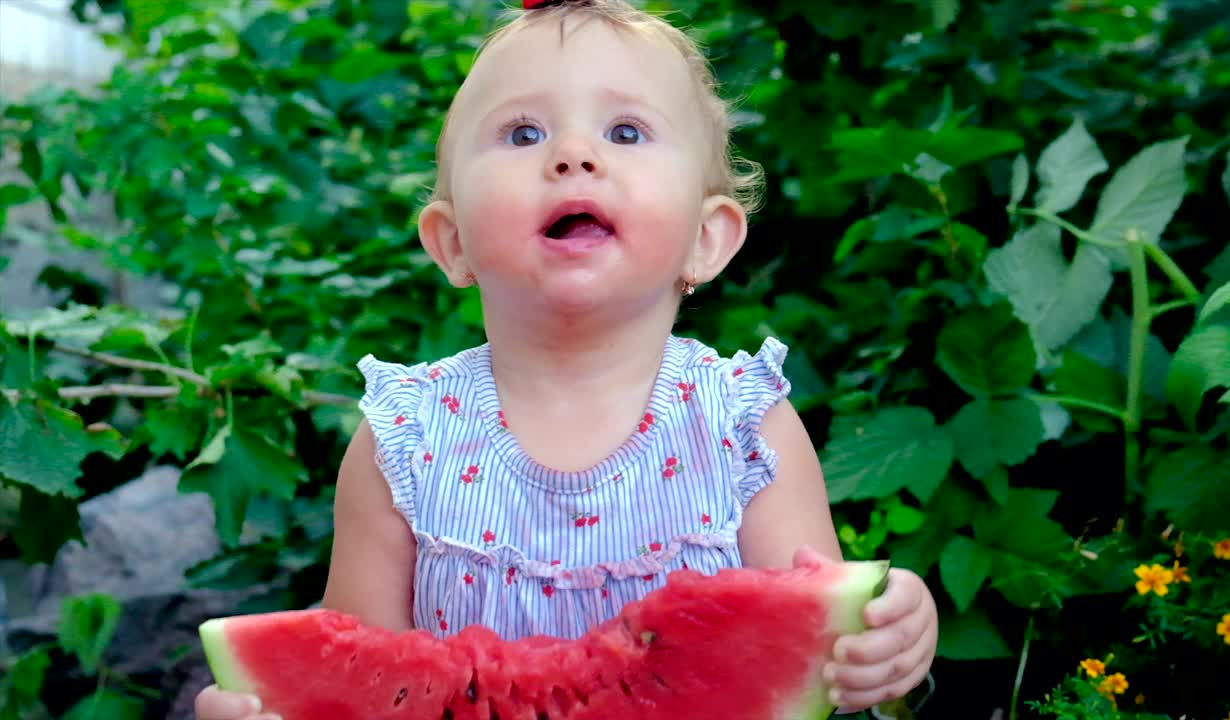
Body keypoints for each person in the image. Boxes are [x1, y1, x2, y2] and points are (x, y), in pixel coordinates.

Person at [194, 1, 938, 717]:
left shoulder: (744, 428)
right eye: (521, 134)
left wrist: (891, 648)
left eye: (625, 130)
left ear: (706, 238)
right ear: (451, 242)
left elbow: (818, 649)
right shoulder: (404, 443)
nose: (573, 156)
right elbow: (359, 682)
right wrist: (278, 708)